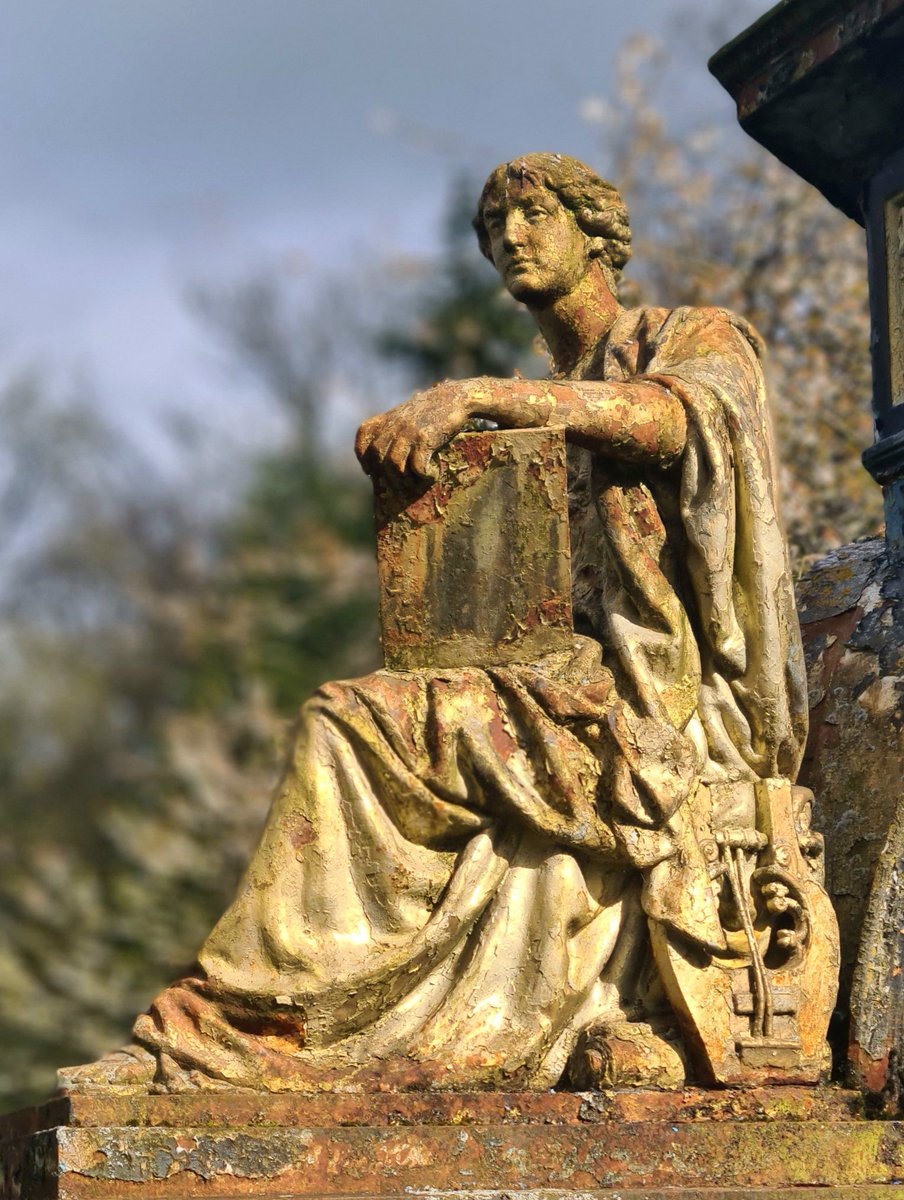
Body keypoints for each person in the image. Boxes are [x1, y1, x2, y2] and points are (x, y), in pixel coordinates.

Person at [61, 153, 813, 1095]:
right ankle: (242, 1030)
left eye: (533, 213)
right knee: (355, 716)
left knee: (348, 724)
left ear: (595, 230)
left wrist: (486, 396)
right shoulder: (525, 416)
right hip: (549, 681)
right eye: (494, 225)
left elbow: (678, 421)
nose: (512, 237)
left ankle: (236, 1037)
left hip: (659, 695)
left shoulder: (688, 335)